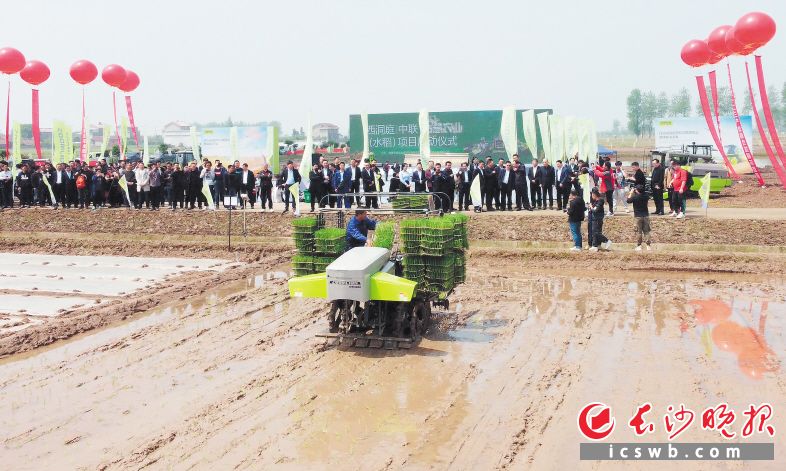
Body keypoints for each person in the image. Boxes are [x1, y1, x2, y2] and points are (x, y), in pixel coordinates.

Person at [627, 184, 652, 251]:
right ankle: (648, 246)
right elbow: (645, 195)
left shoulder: (635, 197)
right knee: (646, 231)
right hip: (646, 216)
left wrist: (631, 192)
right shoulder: (646, 196)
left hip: (638, 216)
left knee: (639, 232)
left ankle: (639, 245)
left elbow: (628, 200)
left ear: (637, 190)